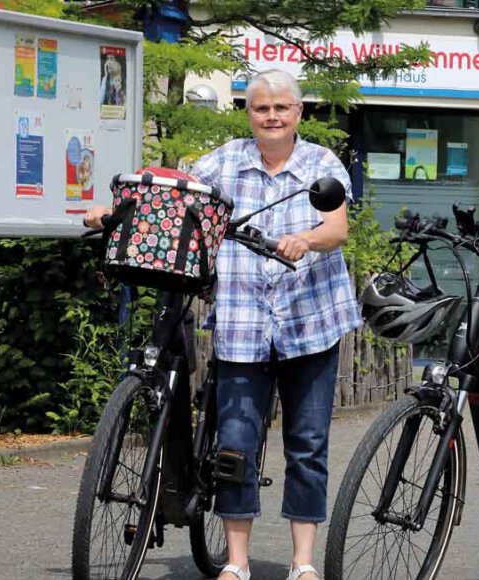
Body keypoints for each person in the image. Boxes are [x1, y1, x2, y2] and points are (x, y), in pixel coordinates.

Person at [85, 69, 360, 580]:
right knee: (235, 443)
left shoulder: (323, 164)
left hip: (311, 321)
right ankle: (236, 563)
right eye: (262, 108)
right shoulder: (223, 161)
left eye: (282, 107)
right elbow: (173, 195)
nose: (272, 116)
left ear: (298, 112)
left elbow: (337, 226)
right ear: (249, 113)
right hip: (241, 320)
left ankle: (303, 563)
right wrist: (113, 213)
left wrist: (307, 238)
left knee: (308, 445)